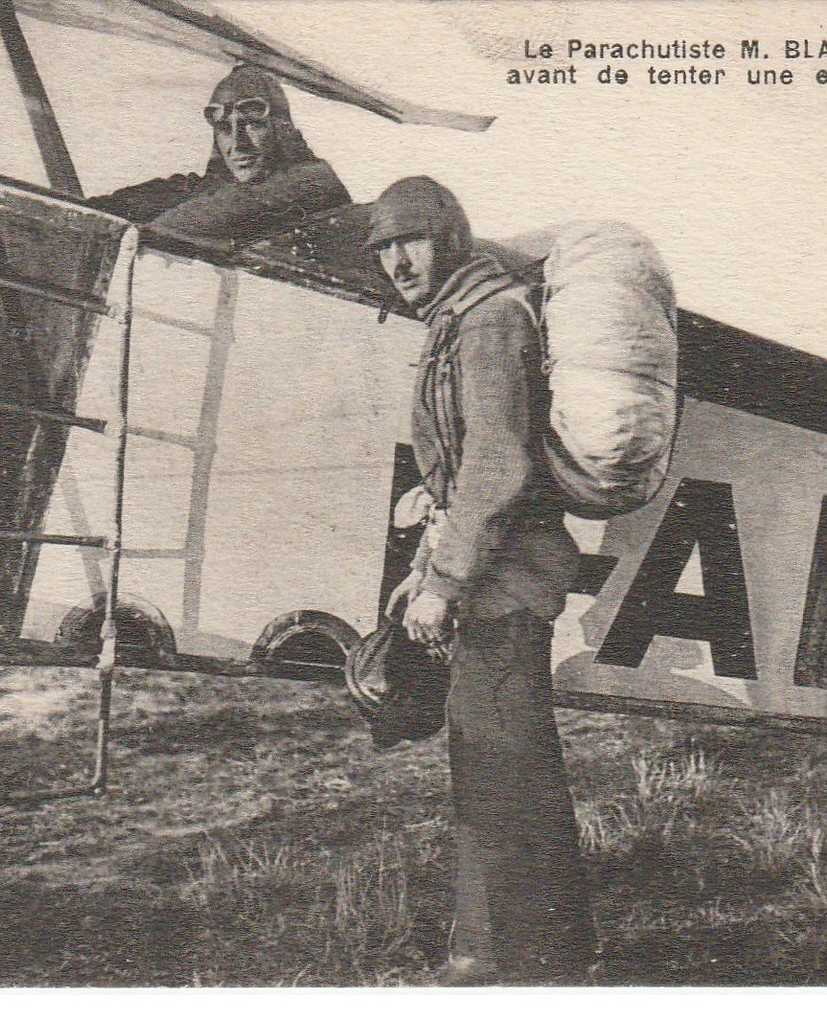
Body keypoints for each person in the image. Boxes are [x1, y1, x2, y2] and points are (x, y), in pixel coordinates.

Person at [369, 177, 595, 985]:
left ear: (450, 237)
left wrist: (445, 580)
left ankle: (529, 964)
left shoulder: (487, 319)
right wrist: (431, 534)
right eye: (383, 247)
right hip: (490, 580)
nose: (397, 260)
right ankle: (502, 951)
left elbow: (499, 462)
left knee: (505, 768)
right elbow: (474, 458)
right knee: (490, 763)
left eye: (411, 240)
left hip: (506, 584)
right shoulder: (458, 318)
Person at [90, 65, 349, 243]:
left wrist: (145, 237)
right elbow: (173, 196)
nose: (238, 145)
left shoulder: (314, 182)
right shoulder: (215, 188)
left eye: (253, 125)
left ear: (281, 129)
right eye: (225, 129)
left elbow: (228, 208)